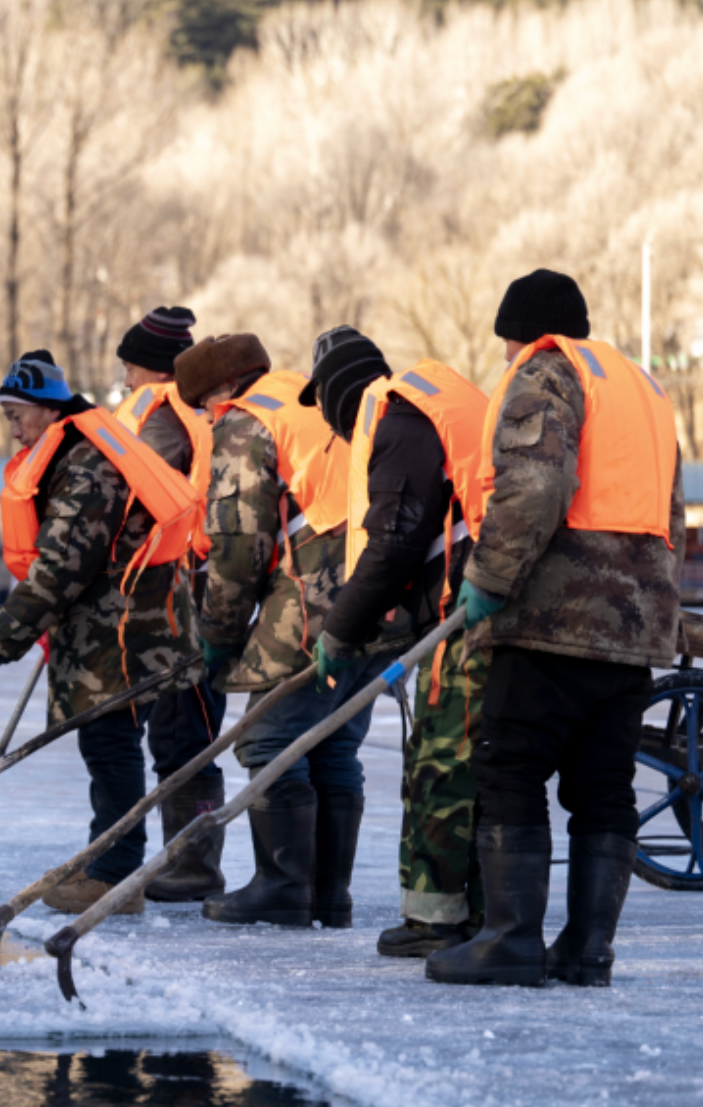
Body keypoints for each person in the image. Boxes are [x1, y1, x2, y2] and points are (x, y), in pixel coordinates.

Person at [427, 269, 684, 988]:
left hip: (550, 617)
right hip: (633, 626)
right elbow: (668, 517)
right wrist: (657, 614)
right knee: (604, 786)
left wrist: (487, 580)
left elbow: (535, 485)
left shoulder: (546, 372)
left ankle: (510, 938)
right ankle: (587, 950)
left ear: (523, 331)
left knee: (510, 768)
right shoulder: (644, 389)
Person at [177, 333, 405, 930]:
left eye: (203, 406)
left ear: (223, 390)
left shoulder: (246, 426)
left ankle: (283, 887)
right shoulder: (304, 405)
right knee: (332, 743)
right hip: (377, 599)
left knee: (270, 740)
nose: (206, 419)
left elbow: (236, 545)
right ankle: (329, 893)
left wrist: (219, 634)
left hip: (313, 605)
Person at [0, 351, 202, 912]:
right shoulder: (74, 453)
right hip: (113, 629)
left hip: (126, 634)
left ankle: (116, 875)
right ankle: (105, 858)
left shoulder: (84, 465)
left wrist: (5, 634)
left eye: (17, 416)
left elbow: (61, 567)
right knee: (108, 746)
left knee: (111, 746)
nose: (13, 431)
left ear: (49, 411)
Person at [298, 327, 492, 958]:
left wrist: (340, 629)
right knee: (474, 763)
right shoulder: (424, 405)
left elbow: (395, 542)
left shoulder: (400, 420)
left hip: (468, 612)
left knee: (444, 761)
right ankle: (478, 916)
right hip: (476, 601)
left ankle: (437, 922)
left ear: (335, 392)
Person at [112, 308, 230, 904]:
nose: (126, 382)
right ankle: (183, 858)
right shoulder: (194, 414)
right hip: (187, 585)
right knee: (182, 727)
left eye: (128, 368)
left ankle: (193, 865)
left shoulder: (159, 419)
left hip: (182, 592)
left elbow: (140, 501)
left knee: (185, 729)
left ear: (147, 369)